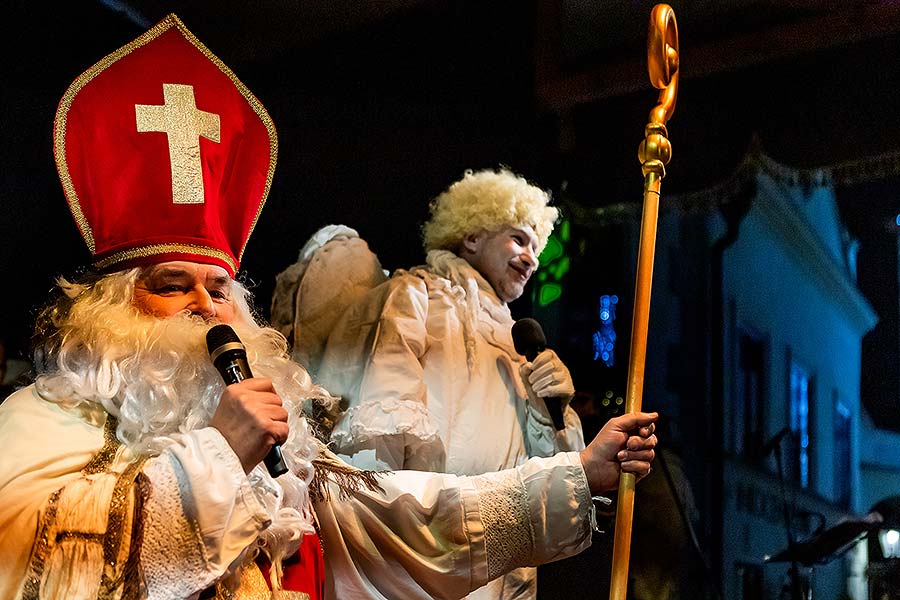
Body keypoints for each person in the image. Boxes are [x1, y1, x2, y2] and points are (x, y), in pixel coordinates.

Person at [0, 14, 658, 600]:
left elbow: (404, 517)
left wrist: (575, 473)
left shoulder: (287, 463)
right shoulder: (42, 422)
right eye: (173, 287)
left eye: (220, 289)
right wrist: (218, 455)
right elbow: (33, 558)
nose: (206, 308)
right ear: (108, 314)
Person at [297, 169, 584, 598]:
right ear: (471, 236)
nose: (532, 259)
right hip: (428, 556)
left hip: (502, 564)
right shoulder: (415, 297)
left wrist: (553, 412)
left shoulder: (519, 344)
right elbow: (377, 453)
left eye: (536, 248)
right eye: (519, 239)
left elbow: (557, 473)